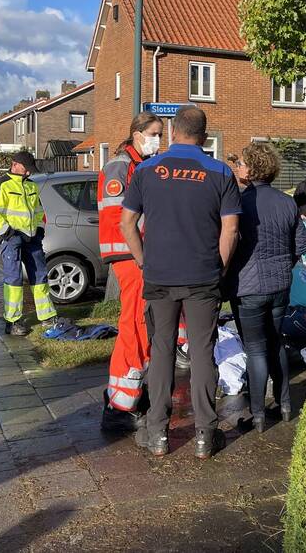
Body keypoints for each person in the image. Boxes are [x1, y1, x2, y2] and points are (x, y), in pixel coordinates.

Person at [120, 106, 241, 459]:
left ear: (172, 132)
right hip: (203, 276)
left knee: (162, 350)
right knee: (202, 352)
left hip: (159, 274)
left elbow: (127, 224)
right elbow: (231, 228)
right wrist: (218, 266)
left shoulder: (145, 170)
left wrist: (144, 261)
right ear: (204, 136)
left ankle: (157, 433)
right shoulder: (219, 171)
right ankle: (205, 435)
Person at [226, 143, 306, 432]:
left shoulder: (238, 202)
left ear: (251, 169)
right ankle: (285, 404)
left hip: (248, 288)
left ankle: (258, 414)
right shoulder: (287, 202)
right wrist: (286, 264)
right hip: (280, 285)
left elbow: (230, 241)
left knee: (256, 349)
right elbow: (301, 243)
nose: (238, 168)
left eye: (242, 164)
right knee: (276, 343)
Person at [98, 112, 164, 433]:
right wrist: (141, 253)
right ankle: (120, 405)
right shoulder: (120, 167)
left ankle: (129, 395)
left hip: (138, 255)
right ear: (137, 133)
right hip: (130, 256)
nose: (158, 139)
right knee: (135, 323)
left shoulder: (138, 165)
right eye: (154, 133)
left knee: (141, 323)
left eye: (160, 133)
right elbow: (118, 218)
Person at [0, 151, 57, 336]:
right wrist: (8, 233)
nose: (28, 173)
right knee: (14, 280)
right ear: (15, 164)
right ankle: (12, 321)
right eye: (26, 169)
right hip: (13, 239)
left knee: (40, 276)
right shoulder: (1, 184)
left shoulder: (31, 186)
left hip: (32, 238)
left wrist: (39, 231)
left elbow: (40, 212)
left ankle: (47, 317)